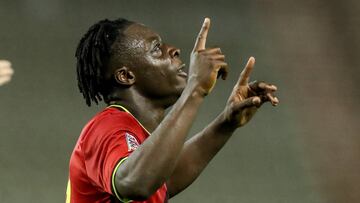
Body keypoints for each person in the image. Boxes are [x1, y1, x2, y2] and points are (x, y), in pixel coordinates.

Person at [67, 17, 279, 203]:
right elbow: (135, 183)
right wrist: (195, 89)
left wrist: (226, 123)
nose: (174, 49)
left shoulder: (142, 143)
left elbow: (163, 179)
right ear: (126, 76)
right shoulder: (107, 128)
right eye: (156, 49)